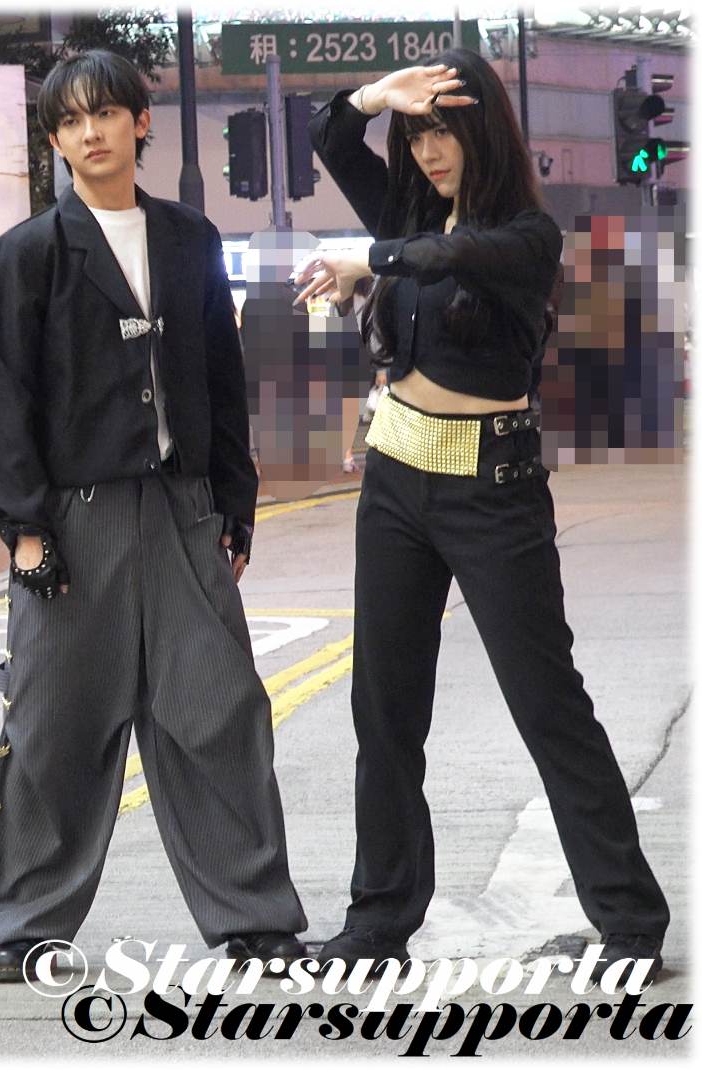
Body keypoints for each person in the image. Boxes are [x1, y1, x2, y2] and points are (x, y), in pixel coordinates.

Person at [299, 52, 669, 980]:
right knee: (384, 710)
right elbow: (328, 137)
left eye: (445, 132)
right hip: (394, 481)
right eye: (417, 133)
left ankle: (629, 920)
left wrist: (367, 260)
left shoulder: (524, 234)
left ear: (484, 133)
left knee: (547, 704)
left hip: (491, 487)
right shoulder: (405, 209)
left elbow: (448, 256)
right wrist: (377, 97)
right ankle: (377, 921)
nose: (428, 151)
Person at [0, 51, 308, 983]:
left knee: (219, 712)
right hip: (70, 522)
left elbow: (219, 377)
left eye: (106, 114)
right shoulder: (30, 252)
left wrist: (233, 502)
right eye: (71, 121)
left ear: (138, 122)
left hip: (182, 509)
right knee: (53, 724)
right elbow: (2, 397)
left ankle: (253, 918)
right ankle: (21, 925)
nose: (91, 133)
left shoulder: (189, 238)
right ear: (54, 140)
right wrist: (24, 529)